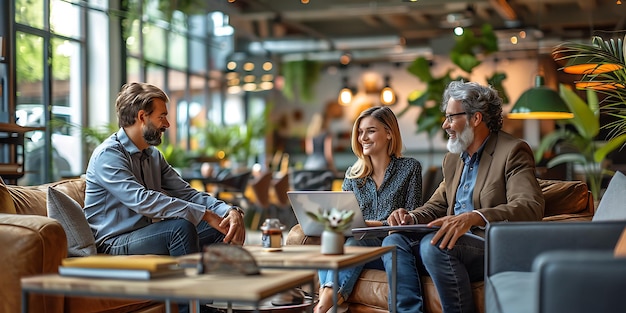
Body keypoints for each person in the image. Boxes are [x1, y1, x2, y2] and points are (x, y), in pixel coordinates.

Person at [381, 80, 545, 313]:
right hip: (452, 242)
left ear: (475, 118)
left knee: (434, 244)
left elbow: (529, 207)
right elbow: (437, 206)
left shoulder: (513, 151)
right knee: (393, 241)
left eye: (451, 117)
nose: (445, 124)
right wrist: (408, 217)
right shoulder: (453, 159)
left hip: (488, 244)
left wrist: (473, 217)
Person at [84, 82, 246, 257]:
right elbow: (142, 201)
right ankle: (190, 283)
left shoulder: (153, 156)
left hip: (146, 234)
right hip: (112, 242)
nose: (167, 124)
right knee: (179, 229)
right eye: (162, 116)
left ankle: (219, 278)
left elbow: (188, 193)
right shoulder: (108, 155)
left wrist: (228, 211)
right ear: (142, 117)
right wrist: (204, 214)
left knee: (222, 226)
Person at [315, 106, 423, 313]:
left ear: (389, 133)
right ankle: (328, 305)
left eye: (371, 131)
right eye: (360, 132)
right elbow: (345, 219)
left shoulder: (410, 168)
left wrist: (368, 225)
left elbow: (412, 220)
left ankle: (321, 308)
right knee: (331, 240)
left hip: (390, 248)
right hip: (353, 249)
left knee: (357, 239)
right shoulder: (352, 175)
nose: (363, 137)